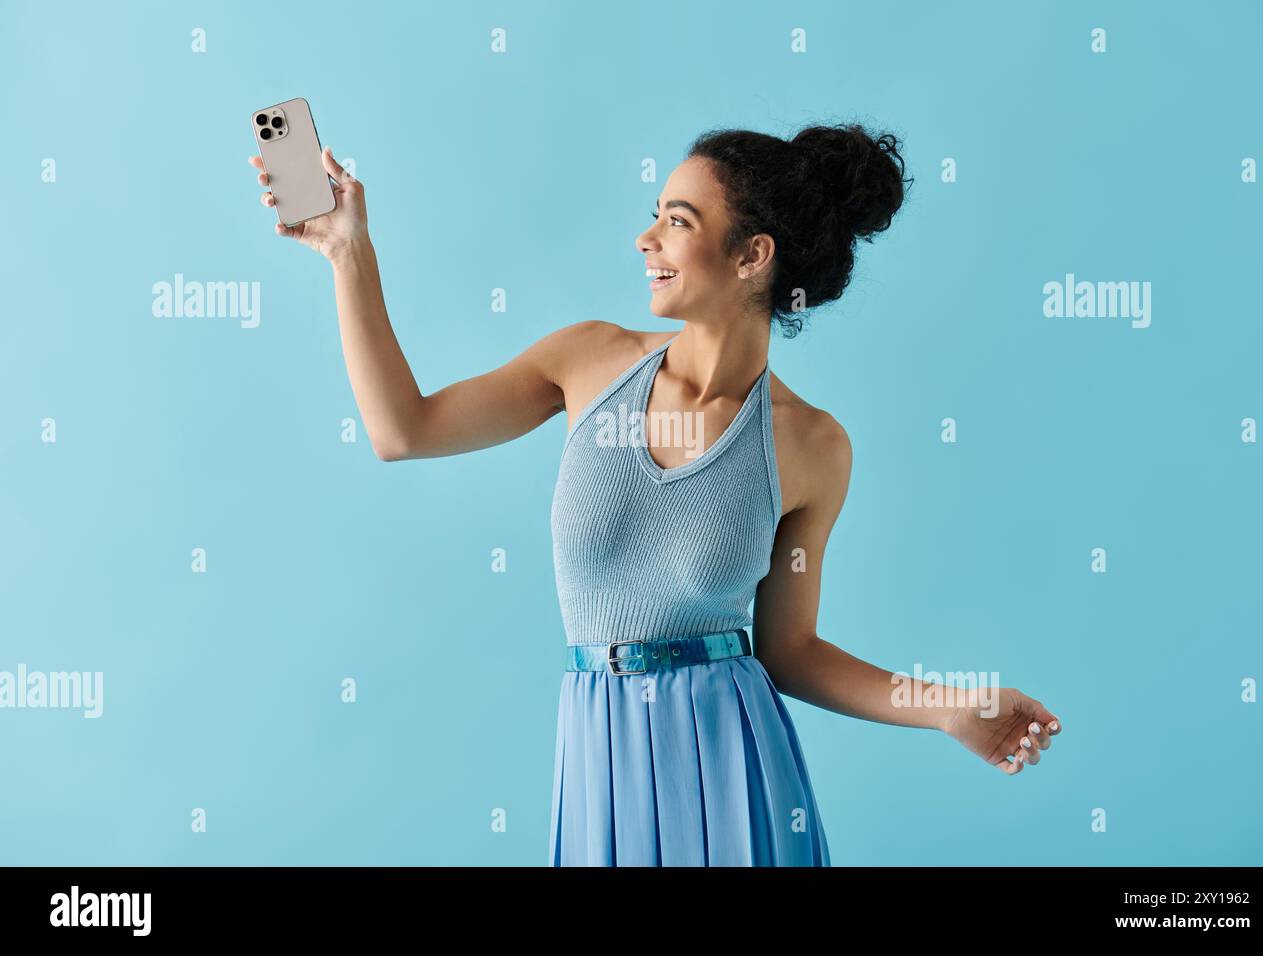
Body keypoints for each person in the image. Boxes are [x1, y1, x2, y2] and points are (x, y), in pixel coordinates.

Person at [247, 121, 1063, 867]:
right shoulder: (587, 362)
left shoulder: (811, 446)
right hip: (598, 756)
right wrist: (349, 253)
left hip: (732, 765)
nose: (646, 238)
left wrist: (948, 706)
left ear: (753, 257)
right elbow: (404, 430)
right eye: (656, 214)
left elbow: (790, 652)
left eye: (678, 220)